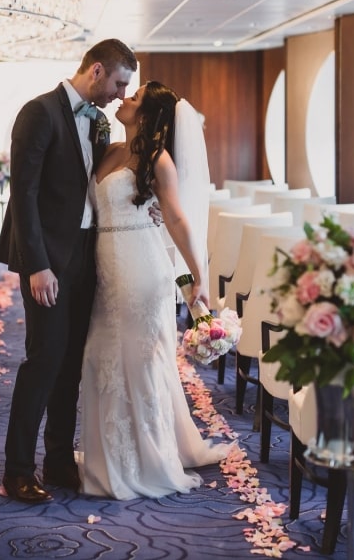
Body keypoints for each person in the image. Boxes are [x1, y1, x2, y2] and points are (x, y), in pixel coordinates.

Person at [0, 38, 139, 503]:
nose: (121, 95)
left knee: (72, 363)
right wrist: (37, 265)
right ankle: (17, 470)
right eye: (119, 83)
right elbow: (23, 195)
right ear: (97, 70)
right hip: (47, 260)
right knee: (44, 360)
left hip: (86, 253)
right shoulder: (38, 112)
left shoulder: (97, 122)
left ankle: (58, 461)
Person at [78, 80, 232, 500]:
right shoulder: (110, 151)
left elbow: (178, 219)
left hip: (142, 269)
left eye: (135, 97)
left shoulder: (158, 160)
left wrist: (197, 274)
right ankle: (107, 455)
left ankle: (146, 458)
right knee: (100, 358)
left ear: (146, 114)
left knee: (139, 361)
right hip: (105, 268)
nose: (124, 99)